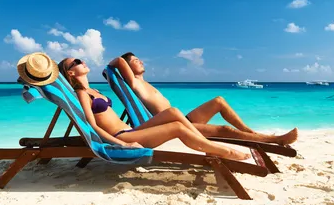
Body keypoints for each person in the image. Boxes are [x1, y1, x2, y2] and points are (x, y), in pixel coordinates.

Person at [57, 56, 250, 161]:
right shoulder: (83, 94)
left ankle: (209, 147)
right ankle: (220, 150)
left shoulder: (95, 90)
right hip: (121, 136)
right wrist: (122, 144)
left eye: (80, 59)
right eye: (76, 62)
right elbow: (92, 126)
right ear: (71, 73)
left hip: (130, 130)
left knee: (173, 113)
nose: (82, 61)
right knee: (177, 127)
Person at [108, 53, 298, 145]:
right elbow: (117, 61)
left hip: (185, 119)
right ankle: (274, 140)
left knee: (219, 100)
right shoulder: (134, 83)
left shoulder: (145, 82)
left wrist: (130, 60)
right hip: (176, 123)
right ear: (128, 68)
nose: (140, 61)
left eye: (139, 59)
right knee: (224, 130)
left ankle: (251, 132)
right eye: (135, 60)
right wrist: (121, 62)